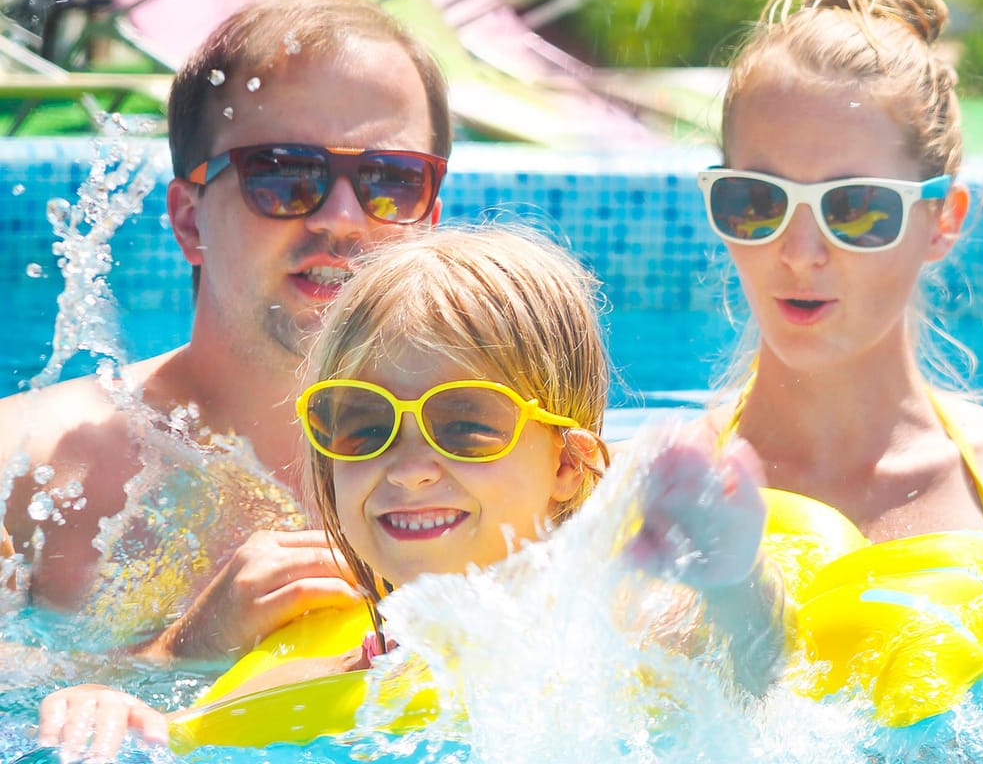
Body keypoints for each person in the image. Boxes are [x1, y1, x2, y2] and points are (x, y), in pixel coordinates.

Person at [36, 226, 781, 760]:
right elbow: (193, 728)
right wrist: (122, 710)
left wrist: (732, 579)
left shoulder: (627, 623)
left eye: (465, 424)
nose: (410, 466)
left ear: (567, 462)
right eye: (361, 423)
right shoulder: (323, 666)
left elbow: (752, 671)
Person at [0, 0, 453, 660]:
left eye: (391, 180)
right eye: (286, 175)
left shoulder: (500, 466)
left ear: (429, 222)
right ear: (189, 221)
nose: (344, 219)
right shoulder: (21, 478)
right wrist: (181, 652)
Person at [696, 0, 983, 584]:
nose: (800, 252)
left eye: (858, 209)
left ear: (942, 220)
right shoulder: (655, 493)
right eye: (757, 201)